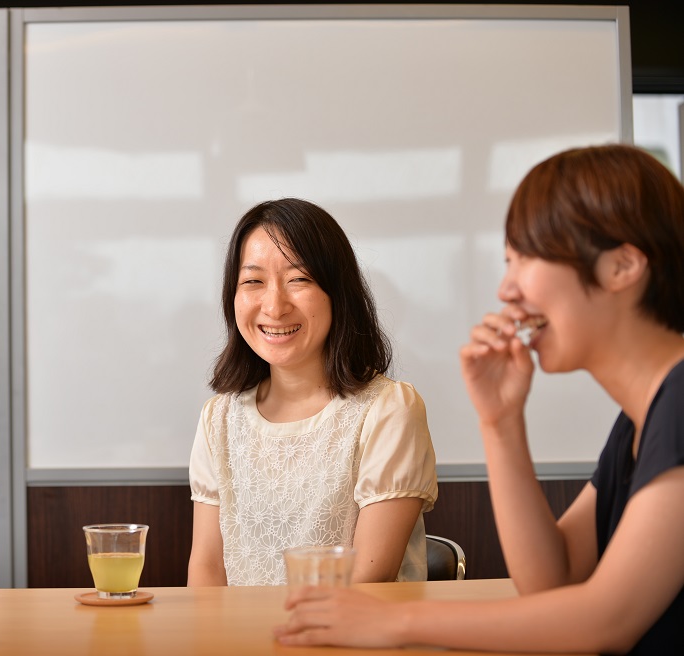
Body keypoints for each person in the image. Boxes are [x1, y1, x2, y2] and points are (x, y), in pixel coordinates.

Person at [274, 144, 684, 653]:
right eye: (509, 261)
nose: (507, 289)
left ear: (622, 266)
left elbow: (605, 619)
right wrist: (500, 422)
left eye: (529, 257)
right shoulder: (641, 420)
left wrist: (396, 622)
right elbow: (553, 581)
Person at [187, 198, 438, 586]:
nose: (274, 306)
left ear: (338, 293)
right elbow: (207, 569)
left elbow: (370, 577)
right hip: (239, 628)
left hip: (349, 625)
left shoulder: (388, 409)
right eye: (253, 281)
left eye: (299, 279)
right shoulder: (218, 418)